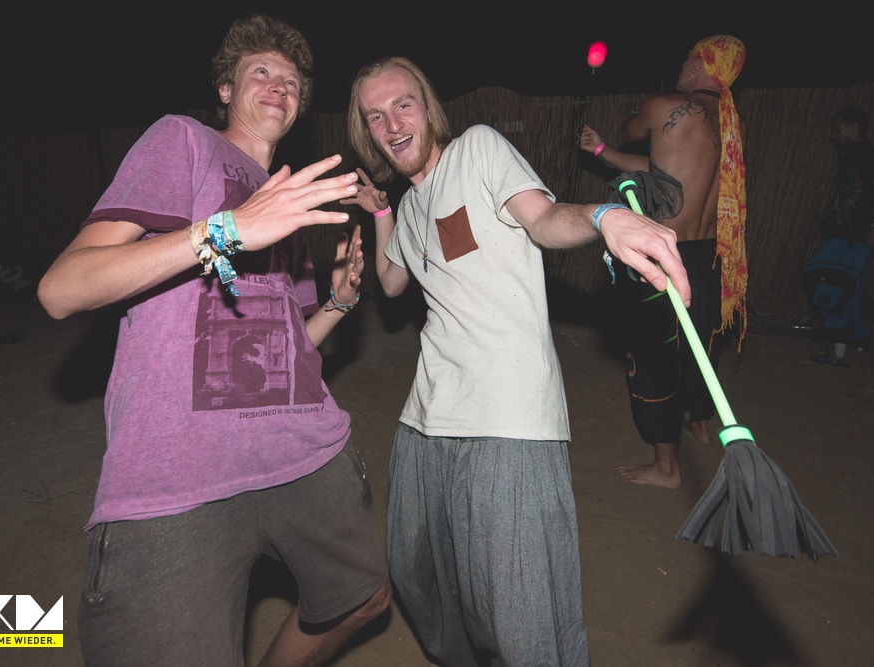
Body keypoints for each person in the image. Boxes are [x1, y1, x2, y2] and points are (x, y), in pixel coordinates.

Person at [36, 15, 391, 666]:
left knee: (363, 598)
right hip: (181, 473)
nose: (280, 86)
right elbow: (63, 288)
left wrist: (339, 300)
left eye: (292, 81)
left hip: (301, 449)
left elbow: (289, 350)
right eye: (262, 72)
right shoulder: (183, 142)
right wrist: (224, 230)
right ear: (225, 89)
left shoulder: (283, 200)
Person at [343, 55, 691, 666]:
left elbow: (544, 220)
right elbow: (392, 281)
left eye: (402, 104)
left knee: (519, 615)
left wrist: (604, 215)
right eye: (375, 116)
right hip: (426, 417)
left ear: (427, 107)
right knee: (418, 575)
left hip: (507, 418)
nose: (392, 124)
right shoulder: (411, 205)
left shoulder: (477, 151)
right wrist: (378, 212)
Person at [579, 35, 748, 490]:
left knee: (654, 357)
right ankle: (700, 423)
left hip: (665, 253)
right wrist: (601, 154)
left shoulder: (667, 106)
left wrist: (616, 133)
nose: (684, 62)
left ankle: (667, 468)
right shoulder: (729, 122)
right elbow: (663, 167)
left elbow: (631, 131)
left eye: (692, 57)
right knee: (700, 346)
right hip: (709, 255)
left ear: (704, 65)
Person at [805, 106, 874, 365]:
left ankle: (841, 340)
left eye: (838, 129)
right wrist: (822, 219)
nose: (835, 135)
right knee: (831, 279)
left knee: (841, 283)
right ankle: (856, 334)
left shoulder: (871, 154)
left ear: (854, 129)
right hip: (839, 231)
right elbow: (843, 194)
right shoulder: (846, 155)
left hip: (858, 235)